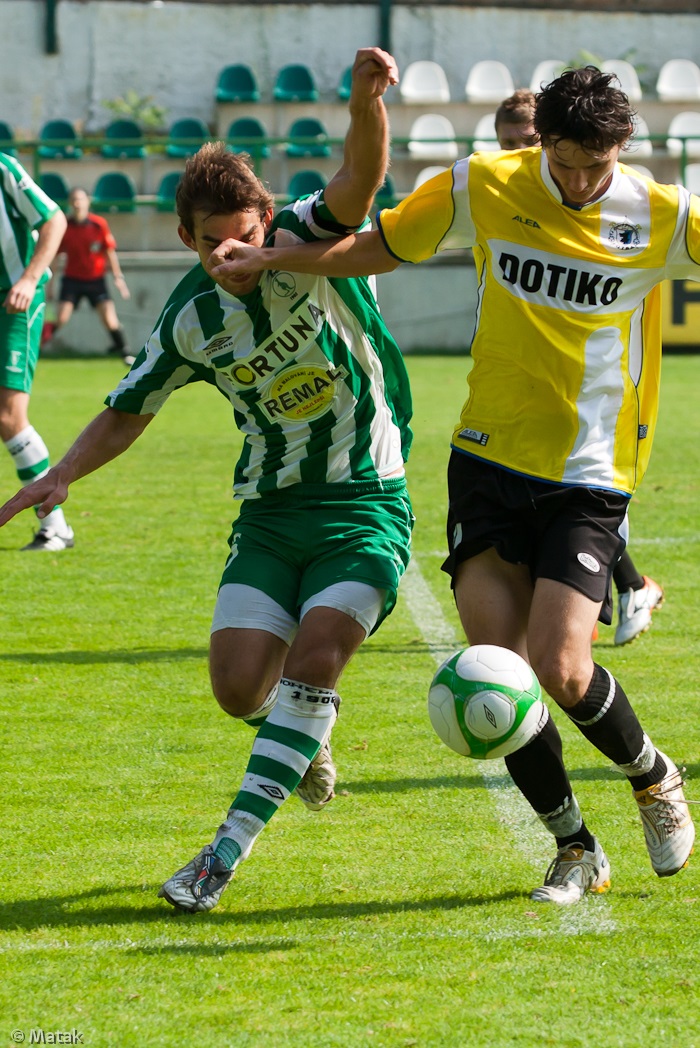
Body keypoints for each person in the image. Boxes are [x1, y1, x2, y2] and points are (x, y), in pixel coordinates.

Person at [207, 66, 696, 903]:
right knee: (495, 675)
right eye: (567, 163)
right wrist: (278, 254)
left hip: (589, 472)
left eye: (598, 166)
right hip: (485, 460)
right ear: (541, 143)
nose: (581, 184)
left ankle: (653, 779)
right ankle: (574, 847)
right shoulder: (483, 182)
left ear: (624, 149)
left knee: (563, 666)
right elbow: (381, 249)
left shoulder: (664, 214)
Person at [0, 49, 412, 913]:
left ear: (267, 218)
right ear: (184, 239)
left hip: (365, 500)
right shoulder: (189, 316)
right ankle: (304, 739)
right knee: (237, 690)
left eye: (245, 233)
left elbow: (361, 180)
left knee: (319, 658)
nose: (230, 249)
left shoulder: (308, 233)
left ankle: (220, 857)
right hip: (267, 514)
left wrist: (366, 103)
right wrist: (62, 474)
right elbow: (129, 405)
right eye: (210, 238)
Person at [494, 88, 664, 646]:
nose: (576, 177)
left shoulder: (645, 212)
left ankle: (627, 588)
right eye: (508, 144)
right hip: (514, 428)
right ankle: (628, 586)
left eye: (524, 141)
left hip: (599, 427)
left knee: (564, 646)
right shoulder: (499, 193)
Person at [0, 152, 74, 552]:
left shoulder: (2, 168)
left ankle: (56, 527)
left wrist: (29, 279)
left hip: (15, 301)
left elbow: (54, 219)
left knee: (9, 415)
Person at [49, 187, 135, 365]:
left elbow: (109, 252)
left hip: (95, 280)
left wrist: (118, 278)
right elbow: (56, 256)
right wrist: (51, 283)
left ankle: (124, 352)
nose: (77, 203)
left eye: (80, 199)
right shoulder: (65, 225)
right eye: (73, 200)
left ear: (88, 201)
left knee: (110, 321)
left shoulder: (98, 224)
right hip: (72, 280)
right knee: (61, 319)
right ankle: (36, 346)